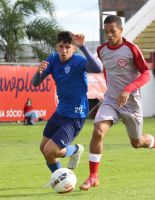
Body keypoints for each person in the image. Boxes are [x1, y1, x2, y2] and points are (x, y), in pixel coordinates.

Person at [80, 15, 155, 190]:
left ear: (121, 30)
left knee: (136, 143)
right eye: (106, 32)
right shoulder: (101, 50)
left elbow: (145, 74)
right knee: (98, 131)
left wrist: (128, 89)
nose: (109, 35)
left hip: (132, 103)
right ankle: (93, 177)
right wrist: (109, 90)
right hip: (111, 100)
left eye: (113, 31)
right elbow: (107, 71)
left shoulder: (131, 49)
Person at [32, 31, 102, 174]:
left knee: (50, 150)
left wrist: (83, 47)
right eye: (61, 46)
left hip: (75, 116)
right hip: (60, 112)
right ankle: (60, 178)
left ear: (73, 48)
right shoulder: (52, 59)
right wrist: (38, 72)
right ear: (57, 47)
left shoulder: (78, 61)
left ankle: (74, 151)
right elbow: (35, 83)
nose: (64, 50)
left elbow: (98, 68)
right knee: (43, 148)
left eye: (67, 47)